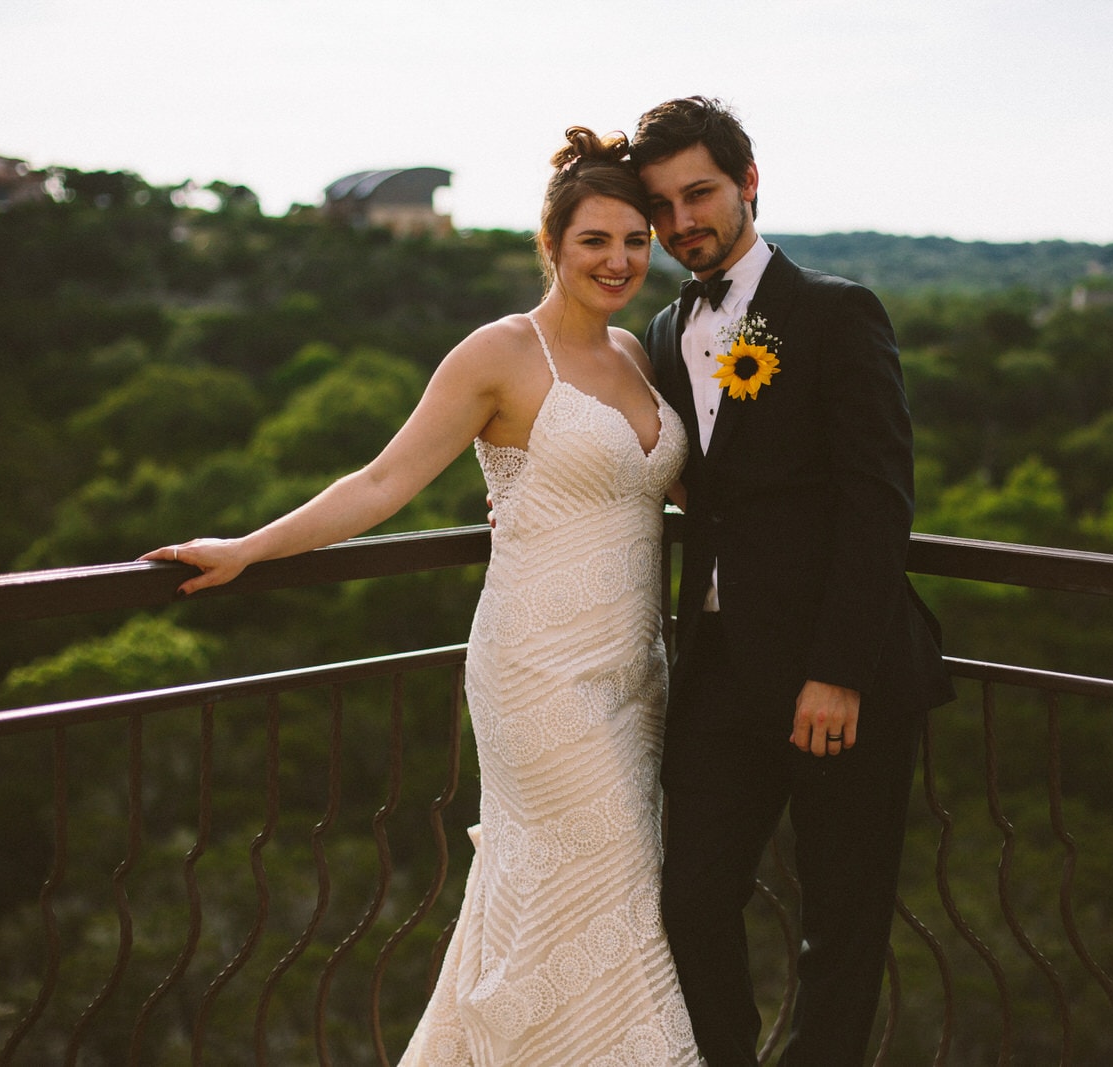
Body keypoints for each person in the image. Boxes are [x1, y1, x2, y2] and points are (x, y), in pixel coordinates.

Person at [142, 128, 698, 1066]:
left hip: (636, 669)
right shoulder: (497, 353)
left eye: (637, 240)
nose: (619, 261)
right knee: (608, 889)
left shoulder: (638, 358)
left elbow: (684, 488)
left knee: (584, 897)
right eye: (595, 240)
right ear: (552, 244)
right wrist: (249, 546)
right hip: (539, 672)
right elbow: (378, 482)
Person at [631, 96, 956, 1067]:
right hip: (722, 668)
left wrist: (838, 668)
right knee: (689, 897)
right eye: (662, 206)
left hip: (835, 671)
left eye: (699, 193)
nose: (682, 220)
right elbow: (676, 476)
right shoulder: (660, 330)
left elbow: (876, 500)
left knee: (840, 923)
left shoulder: (834, 312)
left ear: (748, 183)